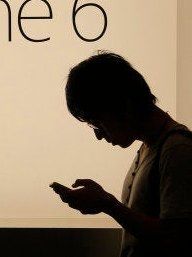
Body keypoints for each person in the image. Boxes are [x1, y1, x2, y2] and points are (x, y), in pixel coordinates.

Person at [51, 51, 192, 256]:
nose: (99, 136)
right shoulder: (150, 147)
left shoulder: (177, 150)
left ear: (123, 106)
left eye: (98, 123)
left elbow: (177, 240)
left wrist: (109, 205)